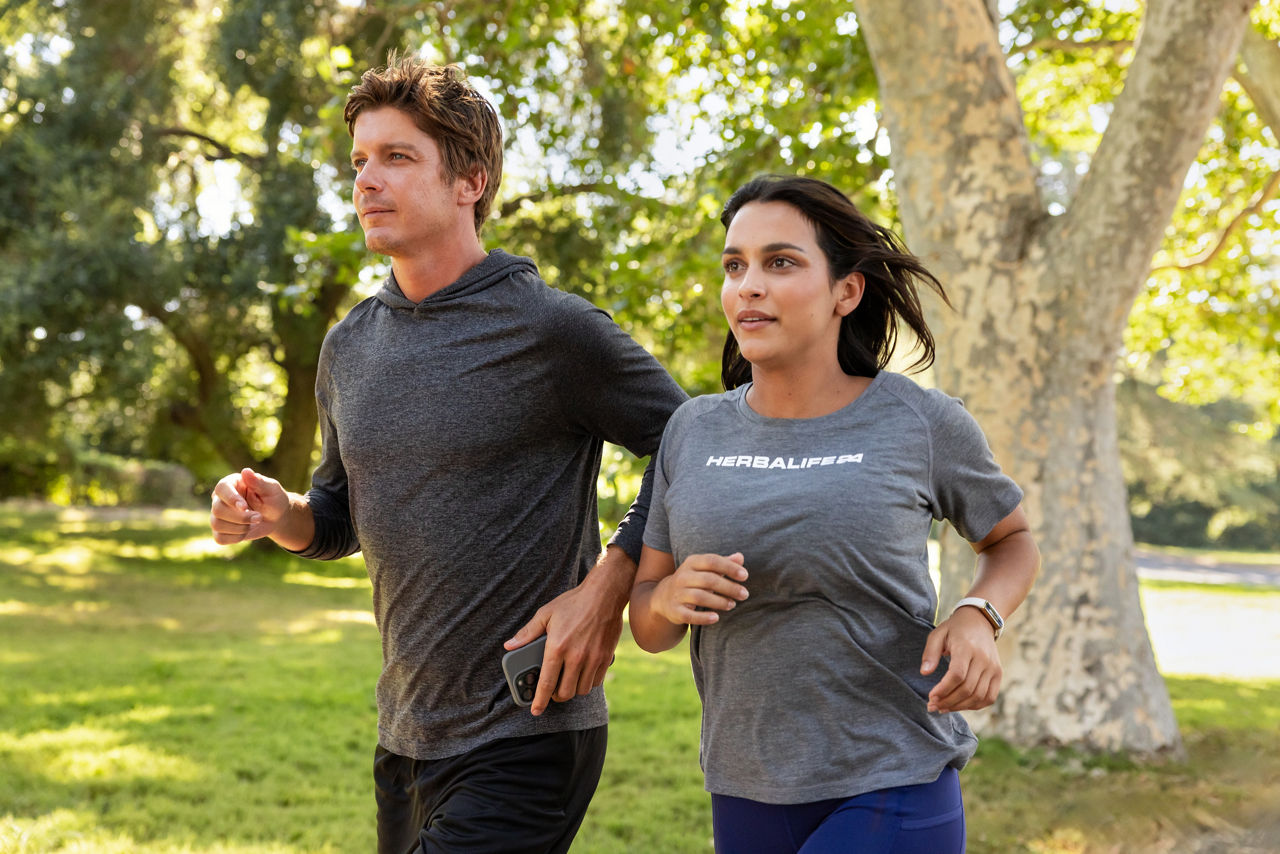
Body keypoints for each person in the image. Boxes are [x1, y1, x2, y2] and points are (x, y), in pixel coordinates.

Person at [208, 56, 686, 854]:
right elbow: (337, 521)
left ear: (471, 181)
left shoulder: (552, 329)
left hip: (527, 732)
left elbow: (696, 442)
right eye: (360, 160)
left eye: (397, 158)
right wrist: (279, 514)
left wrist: (610, 580)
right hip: (405, 737)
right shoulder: (349, 346)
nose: (367, 180)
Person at [629, 175, 1040, 854]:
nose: (748, 285)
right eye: (735, 266)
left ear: (846, 291)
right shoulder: (691, 431)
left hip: (892, 774)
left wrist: (978, 615)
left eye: (780, 262)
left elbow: (1012, 539)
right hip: (744, 786)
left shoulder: (918, 420)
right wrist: (669, 597)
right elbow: (648, 623)